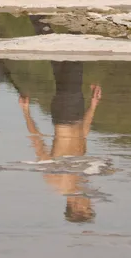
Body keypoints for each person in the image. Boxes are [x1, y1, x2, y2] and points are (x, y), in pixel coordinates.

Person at [19, 62, 102, 223]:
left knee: (74, 66)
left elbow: (38, 144)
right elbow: (81, 138)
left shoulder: (57, 182)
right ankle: (46, 37)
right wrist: (93, 105)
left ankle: (59, 36)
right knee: (63, 68)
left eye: (88, 207)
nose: (90, 202)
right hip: (76, 112)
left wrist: (26, 111)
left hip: (64, 115)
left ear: (76, 207)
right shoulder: (80, 183)